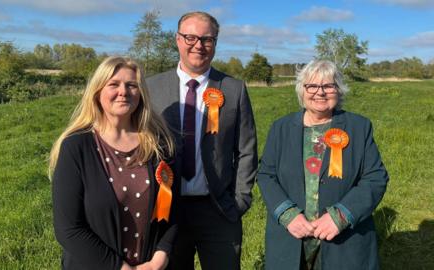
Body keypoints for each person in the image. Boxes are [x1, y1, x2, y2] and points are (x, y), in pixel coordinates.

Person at [146, 11, 258, 270]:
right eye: (190, 37)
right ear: (177, 39)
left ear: (215, 43)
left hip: (218, 209)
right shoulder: (151, 87)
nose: (199, 45)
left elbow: (246, 149)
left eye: (207, 39)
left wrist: (240, 199)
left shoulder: (233, 88)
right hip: (166, 210)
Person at [257, 59, 389, 270]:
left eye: (328, 85)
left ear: (338, 90)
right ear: (302, 90)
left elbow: (375, 178)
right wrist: (288, 215)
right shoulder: (280, 128)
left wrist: (341, 216)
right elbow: (266, 175)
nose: (320, 92)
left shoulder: (359, 127)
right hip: (291, 237)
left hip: (343, 241)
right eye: (312, 85)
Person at [50, 56, 177, 270]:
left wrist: (160, 258)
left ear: (141, 93)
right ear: (98, 91)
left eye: (131, 85)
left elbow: (174, 209)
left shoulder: (159, 145)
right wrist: (120, 267)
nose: (123, 92)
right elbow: (68, 229)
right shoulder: (76, 147)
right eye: (113, 84)